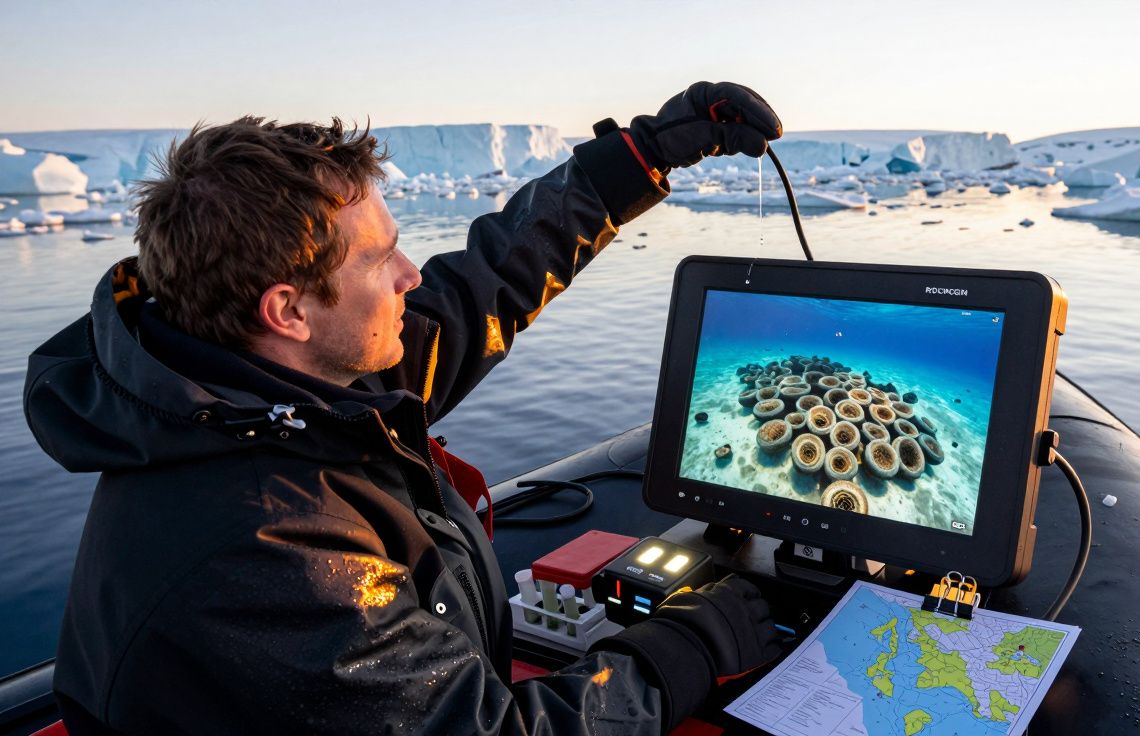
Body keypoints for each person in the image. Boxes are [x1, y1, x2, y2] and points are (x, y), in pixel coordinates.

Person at [24, 82, 783, 735]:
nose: (411, 274)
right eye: (380, 257)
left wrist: (644, 154)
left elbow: (486, 288)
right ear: (287, 309)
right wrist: (690, 645)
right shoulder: (267, 548)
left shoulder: (273, 389)